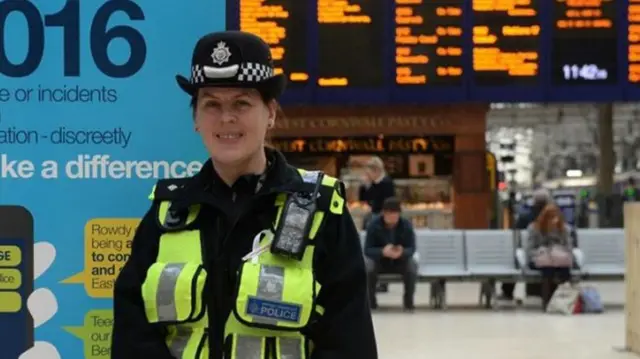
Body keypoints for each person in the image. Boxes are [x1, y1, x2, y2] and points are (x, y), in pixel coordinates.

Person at [110, 31, 378, 359]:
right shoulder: (168, 214)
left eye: (242, 103)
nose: (227, 117)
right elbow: (132, 335)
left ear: (271, 113)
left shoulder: (321, 211)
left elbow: (349, 341)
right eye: (211, 104)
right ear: (195, 118)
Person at [364, 197, 418, 311]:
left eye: (395, 214)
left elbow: (412, 248)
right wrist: (382, 252)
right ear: (384, 213)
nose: (393, 217)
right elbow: (367, 249)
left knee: (412, 267)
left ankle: (408, 302)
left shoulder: (406, 225)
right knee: (368, 268)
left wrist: (402, 252)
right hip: (380, 261)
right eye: (389, 214)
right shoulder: (374, 225)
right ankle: (371, 302)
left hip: (399, 260)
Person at [498, 188, 551, 301]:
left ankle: (507, 292)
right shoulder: (554, 217)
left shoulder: (525, 216)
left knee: (514, 260)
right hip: (550, 255)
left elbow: (516, 234)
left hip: (530, 253)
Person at [526, 204, 574, 310]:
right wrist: (542, 251)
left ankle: (566, 302)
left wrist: (559, 250)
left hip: (559, 259)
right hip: (541, 259)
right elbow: (530, 249)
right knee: (547, 270)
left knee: (564, 271)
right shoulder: (535, 229)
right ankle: (546, 302)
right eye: (549, 216)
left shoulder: (564, 229)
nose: (552, 219)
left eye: (554, 216)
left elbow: (569, 246)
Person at [358, 156, 395, 229]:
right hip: (374, 214)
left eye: (369, 173)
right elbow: (363, 199)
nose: (368, 175)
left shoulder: (387, 183)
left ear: (376, 171)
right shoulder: (374, 183)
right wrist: (364, 186)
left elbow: (384, 203)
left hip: (383, 216)